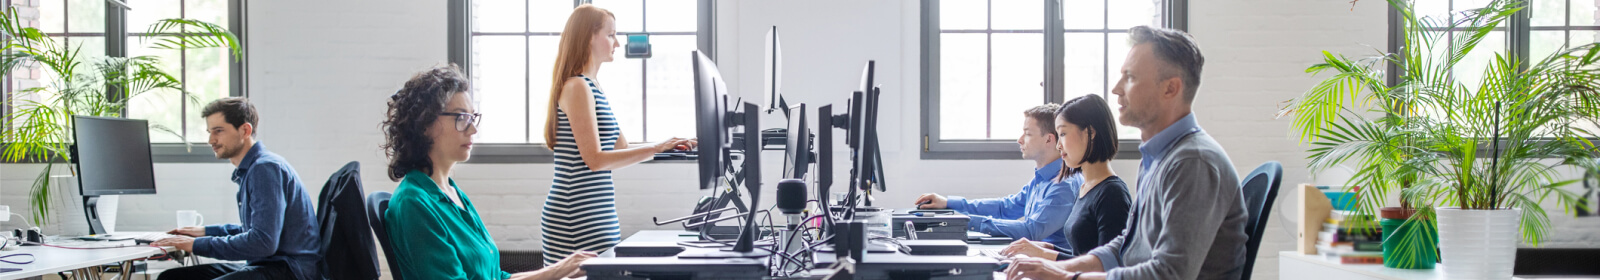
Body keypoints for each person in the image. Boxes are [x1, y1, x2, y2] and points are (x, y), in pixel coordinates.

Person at [1005, 25, 1248, 280]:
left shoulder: (1193, 162)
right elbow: (1127, 245)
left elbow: (1169, 274)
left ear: (1170, 89)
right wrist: (1059, 268)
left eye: (1130, 77)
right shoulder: (1158, 158)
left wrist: (1067, 278)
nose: (1116, 89)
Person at [381, 65, 595, 280]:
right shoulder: (414, 203)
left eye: (473, 118)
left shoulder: (451, 192)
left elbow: (495, 277)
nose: (473, 129)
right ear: (424, 123)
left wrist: (560, 270)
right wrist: (556, 271)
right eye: (461, 117)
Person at [539, 4, 694, 266]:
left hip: (597, 211)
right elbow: (596, 160)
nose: (618, 43)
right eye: (611, 35)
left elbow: (621, 147)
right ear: (589, 36)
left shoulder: (593, 86)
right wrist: (656, 147)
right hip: (576, 212)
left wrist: (668, 146)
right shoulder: (577, 86)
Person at [154, 97, 321, 280]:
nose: (210, 140)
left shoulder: (264, 169)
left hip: (289, 271)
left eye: (218, 131)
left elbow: (263, 242)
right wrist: (204, 232)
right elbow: (254, 231)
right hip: (271, 264)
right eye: (209, 132)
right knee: (171, 278)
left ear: (245, 130)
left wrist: (196, 244)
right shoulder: (254, 168)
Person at [913, 104, 1080, 248]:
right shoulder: (1042, 178)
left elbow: (1031, 231)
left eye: (1027, 134)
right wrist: (948, 203)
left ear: (1049, 140)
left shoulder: (1063, 185)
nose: (1020, 140)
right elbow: (1006, 207)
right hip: (1032, 258)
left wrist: (966, 221)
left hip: (1050, 267)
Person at [1000, 94, 1131, 261]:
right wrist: (1047, 248)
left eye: (1062, 134)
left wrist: (1045, 254)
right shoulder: (1086, 187)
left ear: (1090, 133)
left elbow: (1107, 266)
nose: (1058, 145)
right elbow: (1083, 254)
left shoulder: (1112, 194)